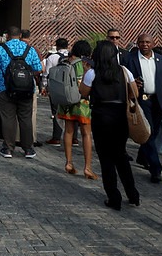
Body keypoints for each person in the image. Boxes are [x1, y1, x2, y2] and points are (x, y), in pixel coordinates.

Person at [79, 40, 139, 210]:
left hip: (101, 116)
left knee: (106, 158)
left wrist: (86, 75)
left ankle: (114, 197)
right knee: (121, 155)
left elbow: (83, 92)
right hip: (120, 116)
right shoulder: (124, 71)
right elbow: (134, 92)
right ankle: (133, 194)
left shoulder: (92, 73)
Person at [0, 26, 43, 159]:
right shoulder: (30, 49)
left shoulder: (1, 49)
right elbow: (39, 69)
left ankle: (8, 148)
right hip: (26, 90)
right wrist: (27, 77)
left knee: (8, 118)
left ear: (7, 36)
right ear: (20, 35)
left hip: (5, 90)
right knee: (25, 118)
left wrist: (4, 77)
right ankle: (28, 149)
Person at [124, 33, 162, 183]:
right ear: (137, 43)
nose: (144, 45)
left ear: (152, 44)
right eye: (141, 42)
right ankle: (156, 169)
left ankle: (142, 156)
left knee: (155, 131)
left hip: (158, 101)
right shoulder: (130, 59)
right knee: (148, 132)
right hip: (141, 100)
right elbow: (124, 79)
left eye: (147, 42)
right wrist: (132, 84)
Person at [57, 40, 97, 179]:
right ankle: (87, 167)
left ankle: (68, 162)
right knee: (86, 134)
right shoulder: (85, 64)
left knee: (68, 131)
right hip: (82, 102)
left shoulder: (65, 62)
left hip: (66, 101)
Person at [42, 38, 69, 146]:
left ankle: (56, 137)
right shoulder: (71, 56)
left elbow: (47, 74)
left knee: (56, 112)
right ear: (67, 46)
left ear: (56, 46)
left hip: (56, 88)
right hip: (70, 89)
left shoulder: (52, 57)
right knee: (71, 111)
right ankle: (74, 138)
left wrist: (44, 86)